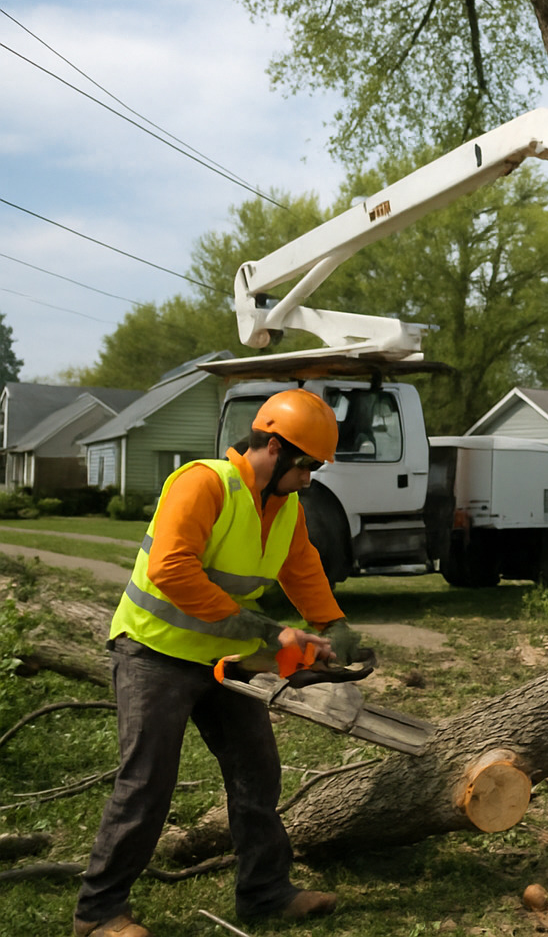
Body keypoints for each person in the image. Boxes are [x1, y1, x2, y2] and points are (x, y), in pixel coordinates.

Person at [74, 388, 366, 937]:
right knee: (147, 781)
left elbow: (300, 566)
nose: (309, 478)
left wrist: (333, 626)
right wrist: (269, 632)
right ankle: (98, 913)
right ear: (272, 447)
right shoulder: (203, 483)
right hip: (153, 652)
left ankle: (265, 893)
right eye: (305, 465)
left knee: (256, 771)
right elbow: (173, 571)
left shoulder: (286, 505)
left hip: (221, 658)